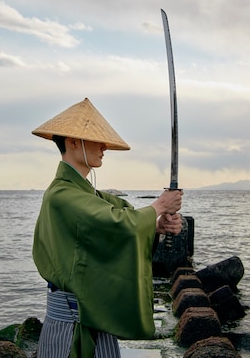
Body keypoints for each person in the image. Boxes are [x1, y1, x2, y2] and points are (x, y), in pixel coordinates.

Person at [31, 97, 183, 358]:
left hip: (95, 316)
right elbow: (119, 224)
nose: (103, 148)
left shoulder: (85, 194)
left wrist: (156, 226)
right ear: (73, 141)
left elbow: (121, 217)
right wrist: (159, 205)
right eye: (97, 140)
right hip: (70, 324)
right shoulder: (62, 195)